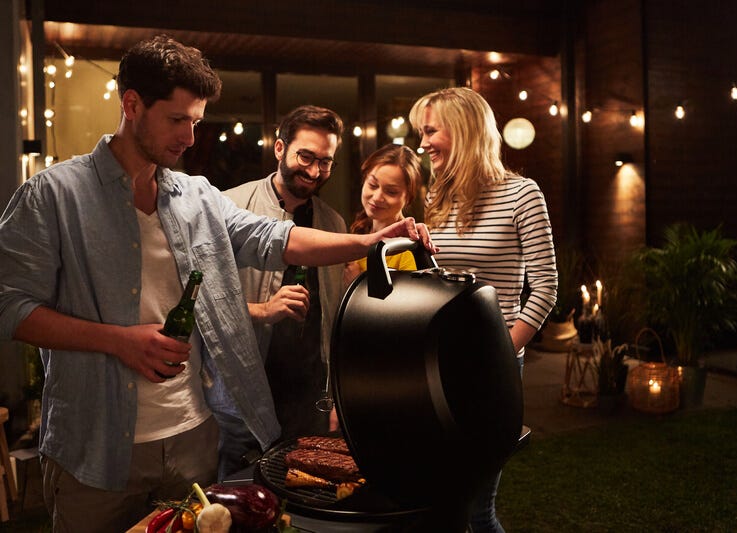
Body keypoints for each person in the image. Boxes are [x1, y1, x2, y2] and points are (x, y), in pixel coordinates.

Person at [0, 35, 431, 533]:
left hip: (191, 437)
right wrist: (120, 342)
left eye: (197, 122)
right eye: (177, 120)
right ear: (132, 105)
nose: (189, 136)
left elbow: (278, 238)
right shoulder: (53, 195)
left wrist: (373, 241)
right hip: (94, 447)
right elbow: (9, 306)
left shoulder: (196, 195)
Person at [409, 86, 557, 533]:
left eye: (431, 131)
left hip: (493, 366)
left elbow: (546, 289)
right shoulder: (437, 198)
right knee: (440, 503)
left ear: (464, 130)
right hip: (436, 364)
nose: (422, 143)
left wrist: (499, 356)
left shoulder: (521, 194)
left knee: (478, 510)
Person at [224, 105, 347, 442]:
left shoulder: (333, 225)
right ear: (280, 148)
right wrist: (263, 310)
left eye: (325, 162)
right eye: (305, 157)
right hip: (243, 395)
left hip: (309, 396)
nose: (314, 171)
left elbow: (333, 320)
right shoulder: (230, 207)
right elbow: (202, 305)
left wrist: (335, 393)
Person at [343, 143, 423, 286]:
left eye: (391, 192)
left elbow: (405, 306)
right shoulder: (358, 231)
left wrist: (358, 283)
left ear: (408, 198)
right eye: (373, 185)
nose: (377, 197)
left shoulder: (407, 249)